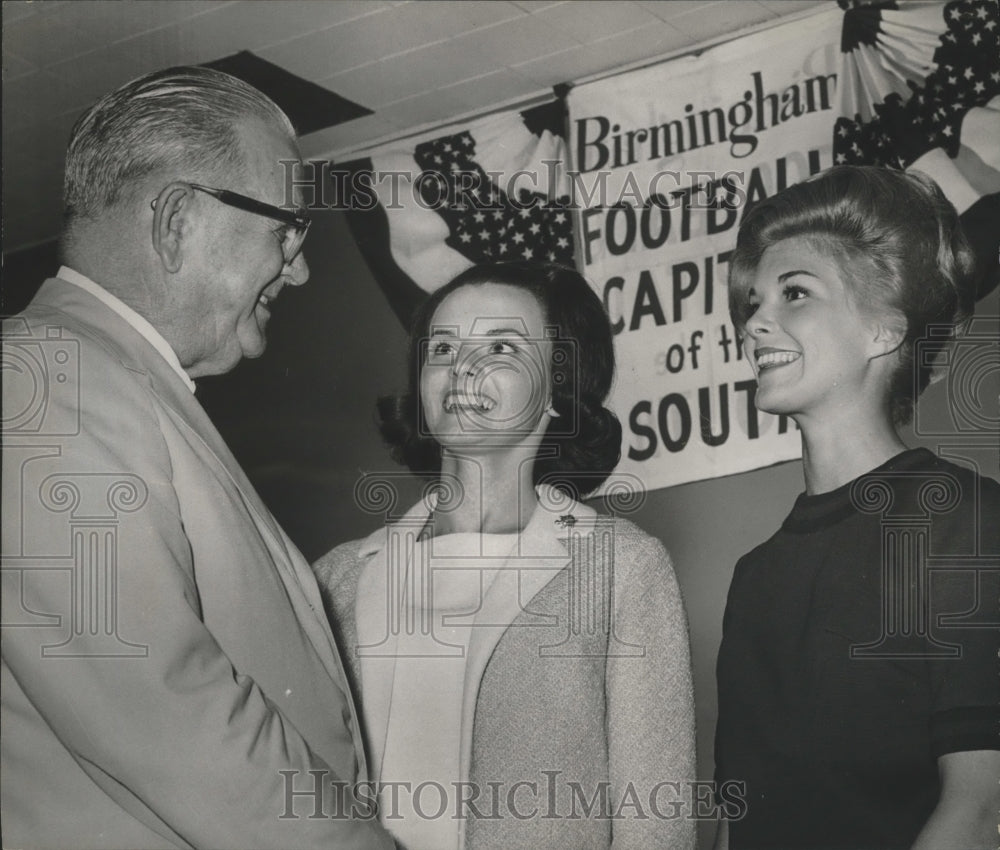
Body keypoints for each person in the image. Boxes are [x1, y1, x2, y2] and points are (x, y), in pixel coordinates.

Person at [1, 67, 393, 849]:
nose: (301, 267)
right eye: (286, 230)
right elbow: (164, 703)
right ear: (179, 221)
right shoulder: (45, 378)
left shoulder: (110, 383)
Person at [314, 261, 697, 850]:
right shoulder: (335, 578)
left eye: (500, 345)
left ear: (556, 390)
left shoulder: (622, 568)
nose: (462, 368)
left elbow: (657, 827)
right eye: (442, 347)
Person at [714, 165, 1000, 850]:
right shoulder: (754, 576)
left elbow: (979, 811)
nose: (757, 323)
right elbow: (738, 825)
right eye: (754, 303)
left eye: (795, 294)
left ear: (883, 332)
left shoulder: (961, 519)